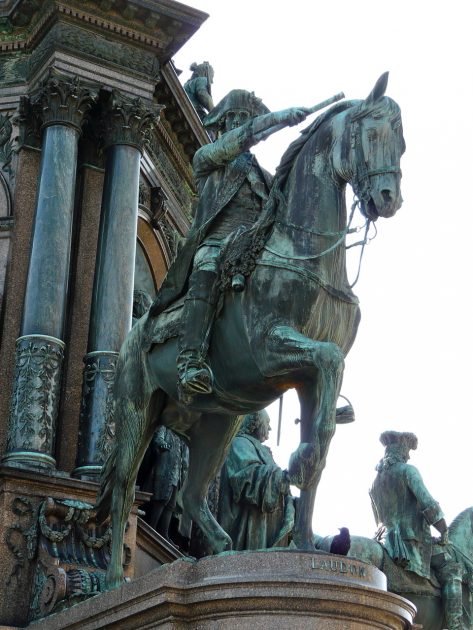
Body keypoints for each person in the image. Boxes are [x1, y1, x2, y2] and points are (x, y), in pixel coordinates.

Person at [149, 89, 308, 400]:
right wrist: (278, 119)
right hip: (217, 243)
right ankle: (190, 360)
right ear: (221, 124)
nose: (240, 124)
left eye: (245, 119)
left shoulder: (264, 176)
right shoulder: (207, 159)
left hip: (252, 248)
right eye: (234, 119)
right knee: (206, 269)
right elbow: (240, 141)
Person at [370, 431, 463, 630]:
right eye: (407, 451)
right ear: (398, 450)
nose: (409, 456)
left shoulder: (375, 482)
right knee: (453, 570)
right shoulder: (408, 471)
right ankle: (455, 625)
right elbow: (427, 503)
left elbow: (378, 519)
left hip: (384, 539)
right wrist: (443, 529)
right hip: (409, 542)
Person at [217, 410, 295, 550]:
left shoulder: (260, 448)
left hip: (265, 529)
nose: (270, 428)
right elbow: (245, 480)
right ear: (255, 422)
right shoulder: (240, 442)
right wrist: (281, 477)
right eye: (268, 422)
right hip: (248, 528)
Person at [138, 425, 189, 542]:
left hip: (176, 475)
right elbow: (158, 439)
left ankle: (164, 532)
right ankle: (152, 528)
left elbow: (184, 458)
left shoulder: (182, 435)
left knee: (171, 504)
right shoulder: (166, 426)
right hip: (164, 470)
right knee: (161, 499)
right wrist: (163, 445)